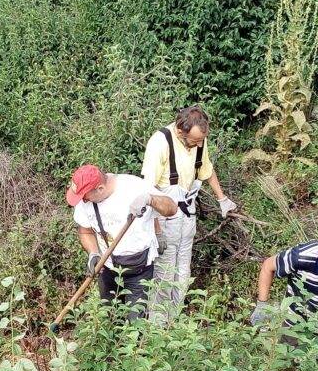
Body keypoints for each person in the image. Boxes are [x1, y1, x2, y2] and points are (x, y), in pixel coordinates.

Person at [141, 106, 238, 322]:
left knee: (183, 273)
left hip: (187, 216)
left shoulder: (199, 142)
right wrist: (157, 231)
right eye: (194, 141)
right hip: (164, 219)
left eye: (201, 140)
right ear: (180, 131)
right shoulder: (160, 142)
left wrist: (223, 200)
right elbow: (149, 192)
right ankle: (157, 326)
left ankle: (173, 322)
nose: (199, 145)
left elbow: (207, 170)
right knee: (164, 274)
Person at [66, 164, 178, 321]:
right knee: (111, 319)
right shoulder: (85, 201)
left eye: (85, 196)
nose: (83, 200)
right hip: (107, 267)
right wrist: (93, 252)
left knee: (135, 325)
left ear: (100, 188)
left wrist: (150, 199)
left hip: (139, 269)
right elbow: (85, 231)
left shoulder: (133, 187)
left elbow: (172, 208)